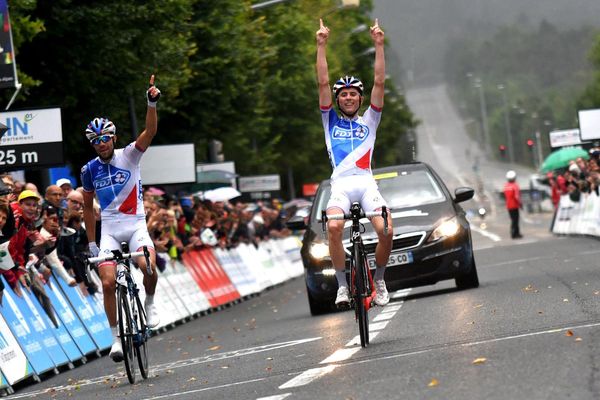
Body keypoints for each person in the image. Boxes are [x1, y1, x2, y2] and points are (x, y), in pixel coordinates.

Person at [81, 74, 161, 363]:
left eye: (105, 139)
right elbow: (88, 209)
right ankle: (116, 339)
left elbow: (149, 132)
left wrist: (150, 103)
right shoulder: (88, 170)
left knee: (146, 265)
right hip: (110, 231)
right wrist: (91, 243)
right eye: (95, 141)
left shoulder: (129, 155)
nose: (101, 144)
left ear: (113, 138)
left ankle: (149, 302)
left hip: (136, 224)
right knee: (106, 282)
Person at [316, 18, 393, 307]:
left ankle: (381, 280)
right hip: (341, 187)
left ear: (360, 98)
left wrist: (379, 45)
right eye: (343, 94)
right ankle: (342, 286)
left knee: (386, 229)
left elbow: (380, 82)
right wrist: (321, 45)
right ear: (338, 100)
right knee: (334, 228)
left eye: (353, 94)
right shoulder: (329, 120)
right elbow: (322, 81)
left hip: (365, 183)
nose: (348, 97)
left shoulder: (370, 121)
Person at [504, 170, 522, 239]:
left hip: (508, 206)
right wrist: (520, 204)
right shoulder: (515, 186)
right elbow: (517, 197)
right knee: (516, 220)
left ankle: (514, 232)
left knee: (512, 219)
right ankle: (515, 233)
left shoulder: (506, 186)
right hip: (514, 205)